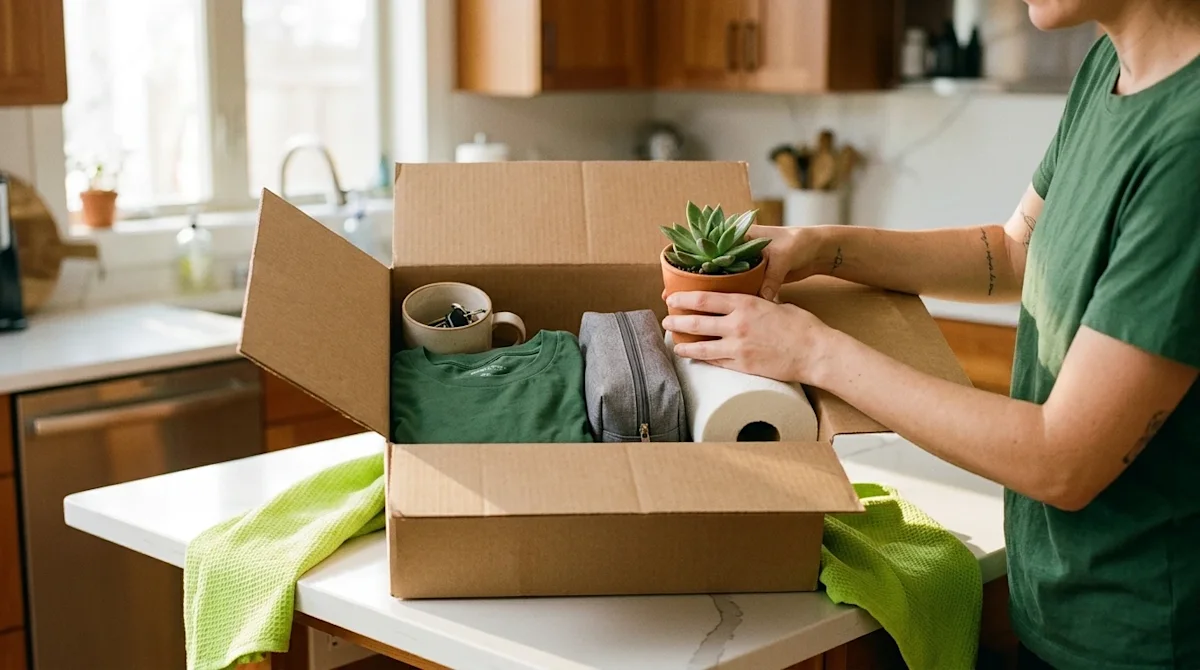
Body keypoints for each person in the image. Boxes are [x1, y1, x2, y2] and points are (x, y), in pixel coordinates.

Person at [662, 1, 1200, 668]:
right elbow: (1013, 252)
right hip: (1055, 605)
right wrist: (820, 245)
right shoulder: (1108, 70)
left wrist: (810, 351)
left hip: (1142, 636)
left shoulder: (1189, 145)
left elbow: (1062, 461)